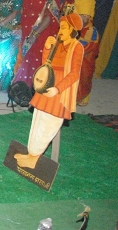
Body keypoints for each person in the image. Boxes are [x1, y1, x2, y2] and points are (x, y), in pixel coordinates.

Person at [14, 13, 83, 169]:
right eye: (60, 28)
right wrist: (47, 48)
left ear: (72, 30)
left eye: (63, 28)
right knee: (37, 120)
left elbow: (75, 73)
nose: (60, 31)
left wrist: (58, 89)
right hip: (47, 84)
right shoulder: (57, 43)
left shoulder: (76, 47)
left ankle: (34, 157)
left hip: (59, 92)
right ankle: (31, 153)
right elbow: (46, 64)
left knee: (48, 124)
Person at [13, 0, 60, 87]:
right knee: (26, 58)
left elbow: (50, 16)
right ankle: (24, 88)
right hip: (26, 28)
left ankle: (36, 88)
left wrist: (36, 33)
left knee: (37, 59)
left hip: (41, 31)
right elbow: (24, 10)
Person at [61, 0, 98, 106]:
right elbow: (63, 12)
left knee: (82, 68)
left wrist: (65, 20)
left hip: (83, 36)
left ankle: (82, 97)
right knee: (67, 66)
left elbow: (83, 20)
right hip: (69, 34)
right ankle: (69, 93)